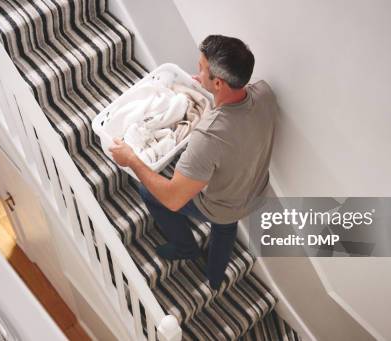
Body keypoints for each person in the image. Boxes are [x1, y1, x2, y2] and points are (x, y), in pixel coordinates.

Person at [109, 34, 279, 290]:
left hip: (221, 205)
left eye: (201, 70)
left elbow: (173, 198)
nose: (196, 75)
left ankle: (185, 247)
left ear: (219, 83)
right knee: (226, 224)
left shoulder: (208, 136)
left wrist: (132, 160)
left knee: (150, 191)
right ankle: (214, 277)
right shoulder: (265, 93)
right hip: (254, 193)